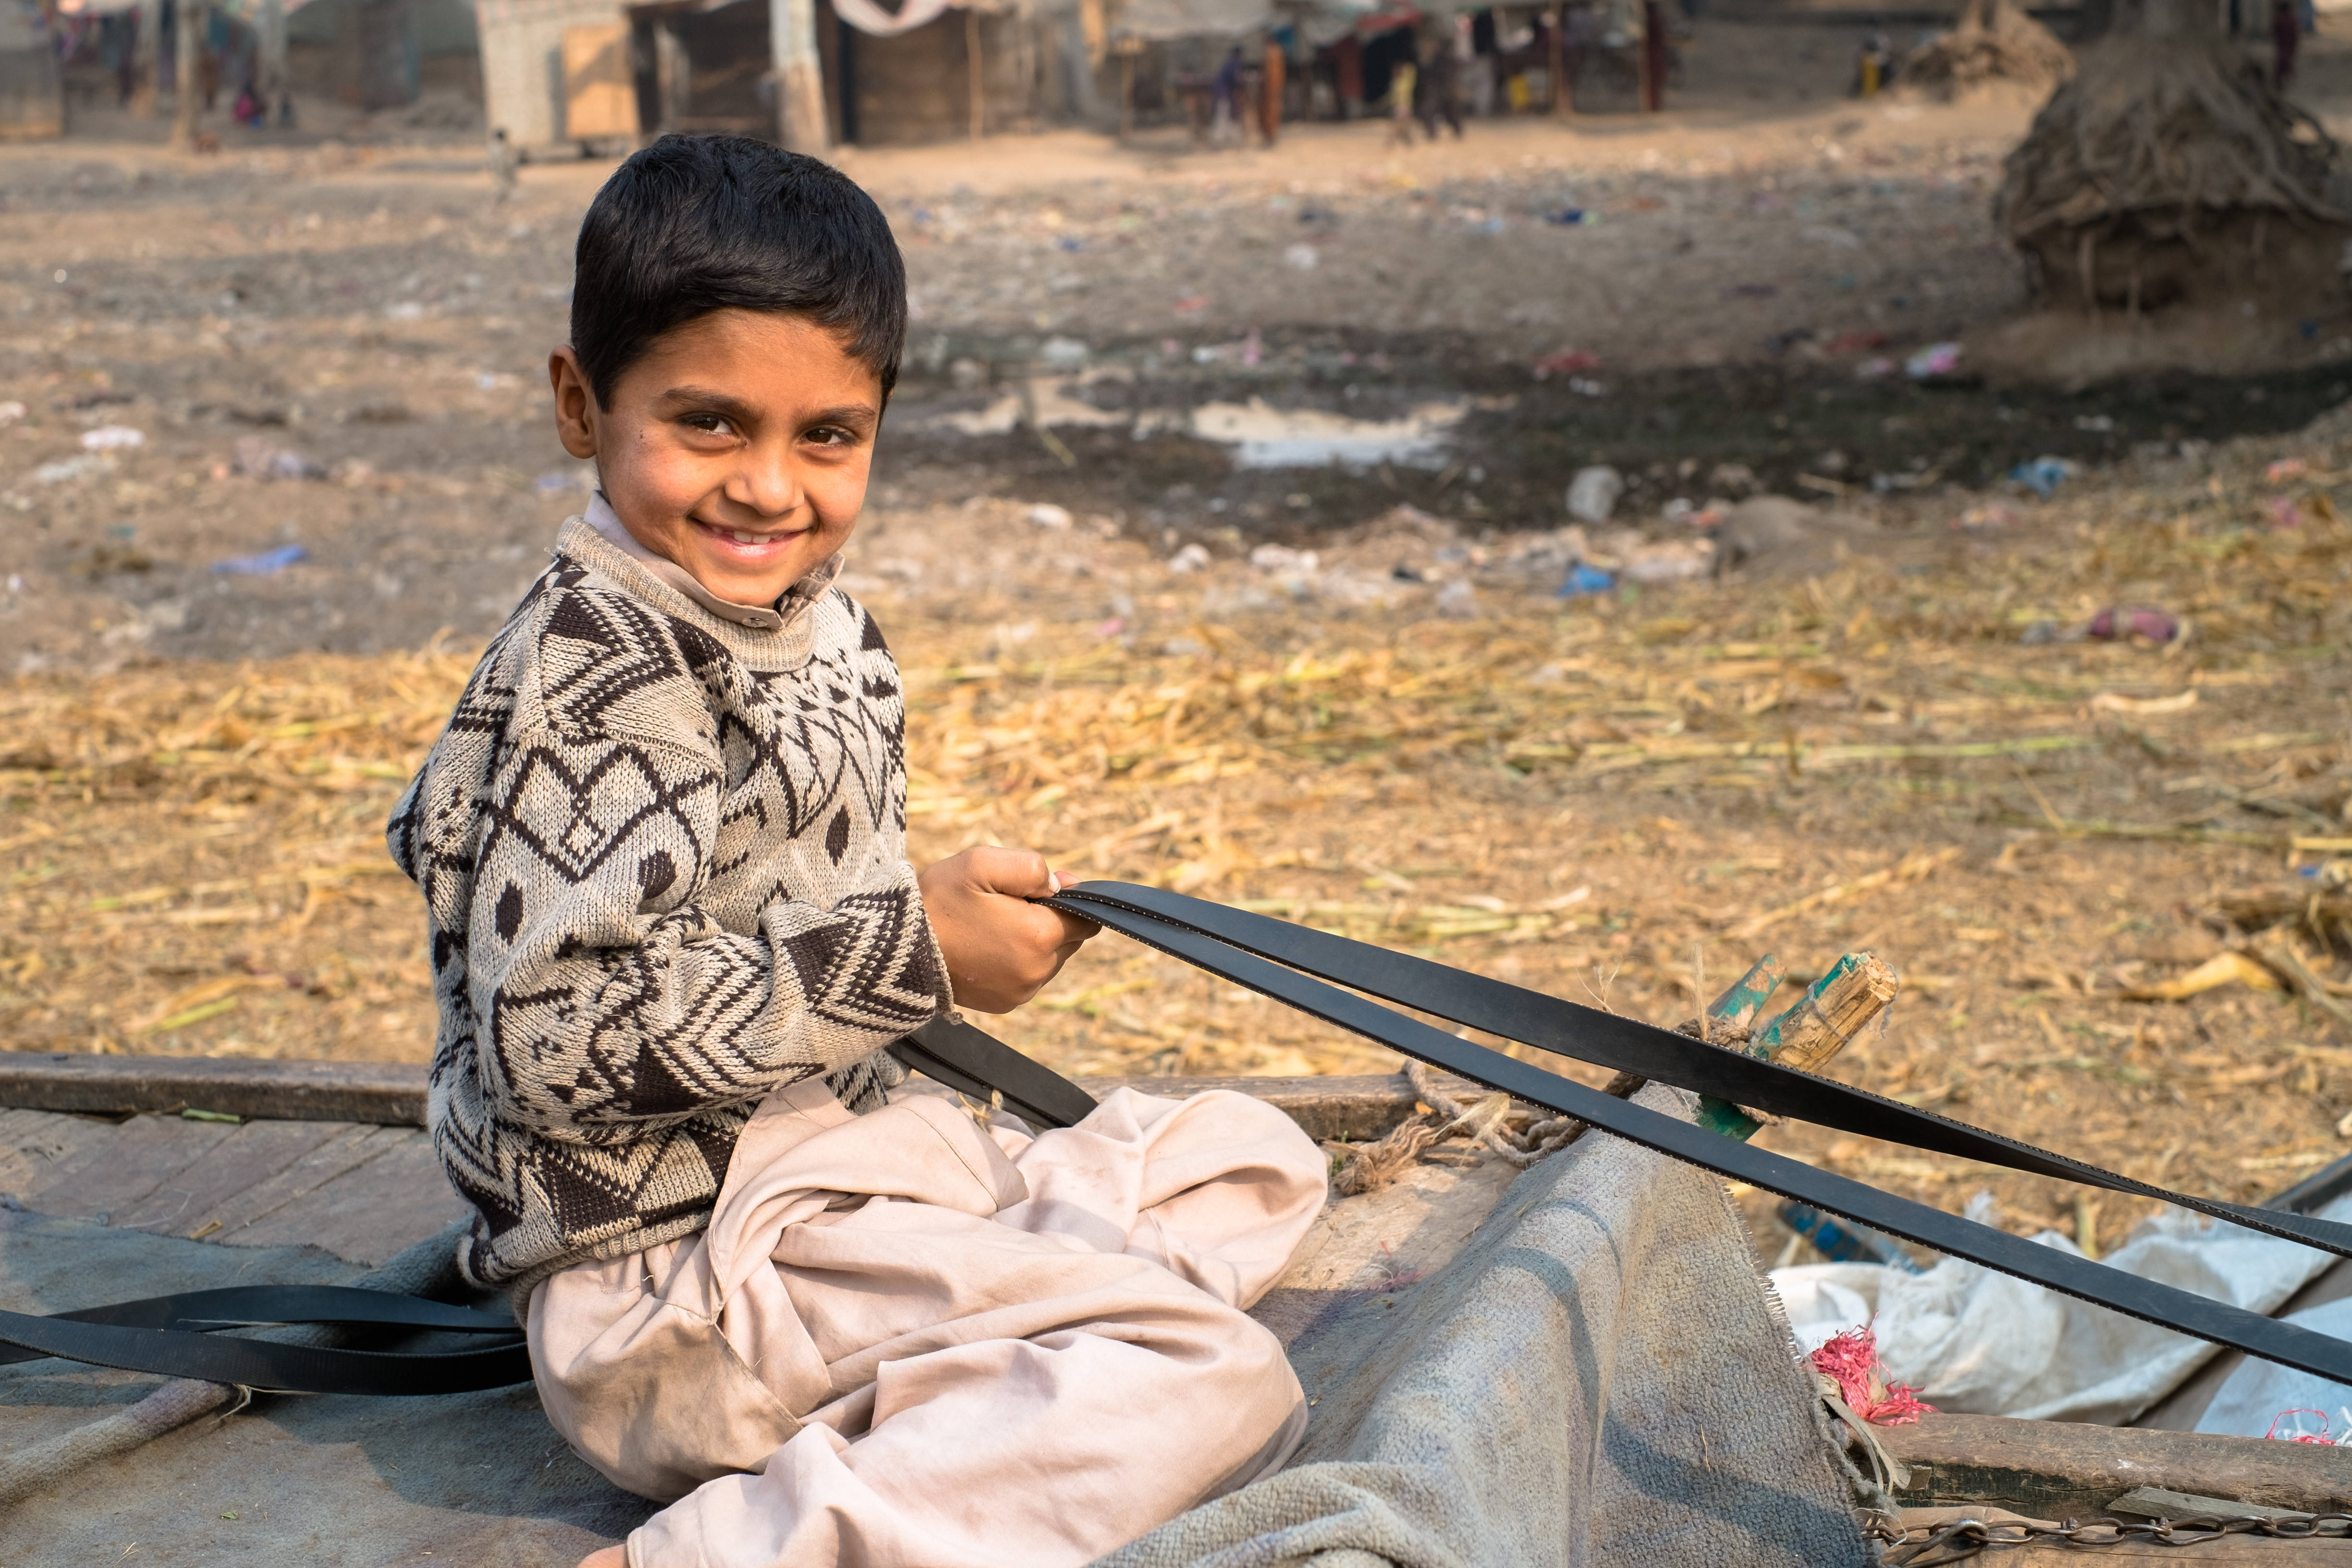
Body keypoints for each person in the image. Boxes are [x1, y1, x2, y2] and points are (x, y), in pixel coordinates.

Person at [387, 134, 1326, 1568]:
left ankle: (1004, 1357)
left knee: (1252, 1155)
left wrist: (934, 926)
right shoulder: (605, 672)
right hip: (681, 1273)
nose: (771, 488)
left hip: (845, 1168)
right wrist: (913, 954)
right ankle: (731, 1539)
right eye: (709, 423)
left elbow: (796, 911)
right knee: (1229, 1380)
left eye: (827, 435)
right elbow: (554, 1045)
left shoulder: (815, 616)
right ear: (583, 402)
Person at [2275, 0, 2300, 87]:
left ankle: (2283, 82)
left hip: (2284, 46)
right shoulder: (2291, 20)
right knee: (2286, 63)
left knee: (2283, 64)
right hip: (2288, 45)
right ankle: (2285, 82)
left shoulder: (2281, 20)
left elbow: (2275, 33)